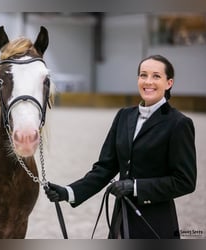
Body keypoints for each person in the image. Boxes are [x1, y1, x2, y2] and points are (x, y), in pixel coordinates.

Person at [45, 55, 197, 239]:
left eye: (156, 76)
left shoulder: (179, 124)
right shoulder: (124, 116)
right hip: (121, 221)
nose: (148, 81)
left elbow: (185, 181)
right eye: (143, 75)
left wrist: (135, 187)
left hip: (155, 223)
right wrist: (69, 192)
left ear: (169, 83)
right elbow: (105, 168)